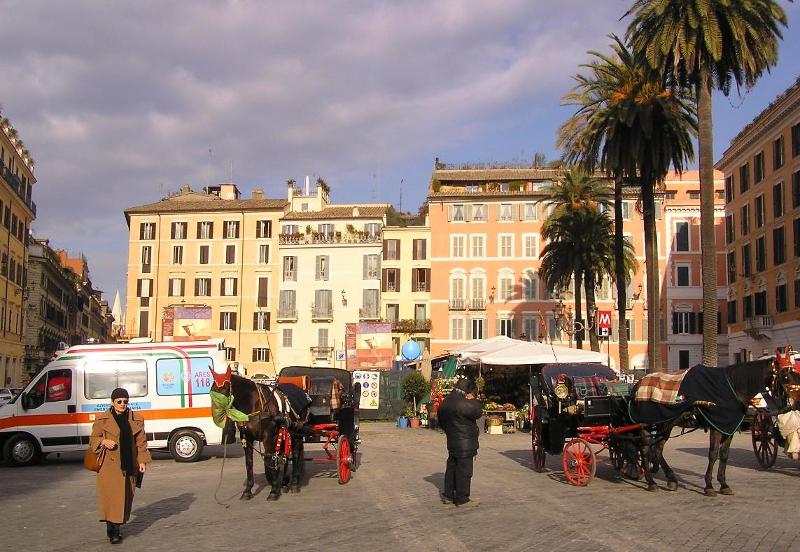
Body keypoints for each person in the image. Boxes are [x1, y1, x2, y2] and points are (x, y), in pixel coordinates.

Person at [89, 388, 151, 544]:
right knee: (112, 498)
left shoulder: (136, 419)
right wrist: (103, 441)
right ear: (112, 402)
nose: (122, 404)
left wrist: (142, 461)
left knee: (126, 496)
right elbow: (93, 439)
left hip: (129, 463)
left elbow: (141, 442)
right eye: (119, 401)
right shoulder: (102, 419)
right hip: (109, 466)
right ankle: (113, 531)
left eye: (125, 401)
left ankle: (115, 525)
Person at [437, 378, 482, 507]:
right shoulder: (464, 403)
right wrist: (473, 399)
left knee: (451, 467)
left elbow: (441, 422)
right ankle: (462, 499)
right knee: (464, 470)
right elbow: (478, 411)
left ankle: (448, 495)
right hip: (465, 442)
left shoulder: (445, 403)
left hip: (452, 440)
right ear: (467, 391)